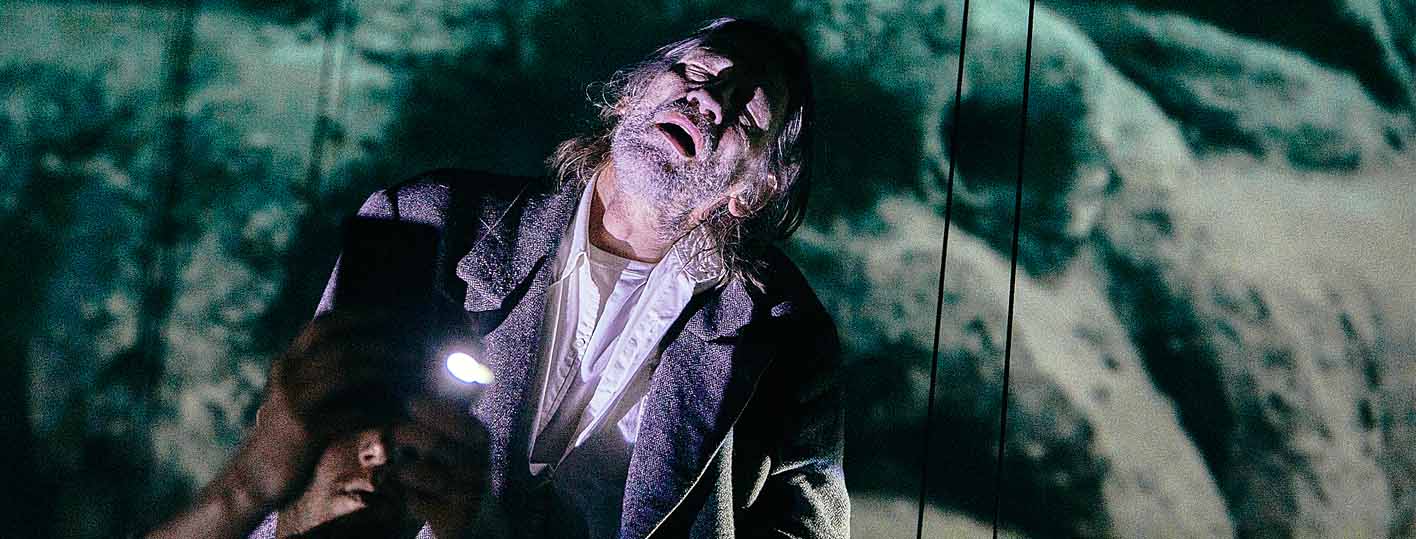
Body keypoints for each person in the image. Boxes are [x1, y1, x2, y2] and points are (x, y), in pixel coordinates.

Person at [148, 16, 846, 539]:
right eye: (695, 71)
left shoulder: (787, 342)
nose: (709, 101)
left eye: (745, 113)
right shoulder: (430, 223)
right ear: (633, 92)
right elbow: (315, 457)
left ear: (751, 192)